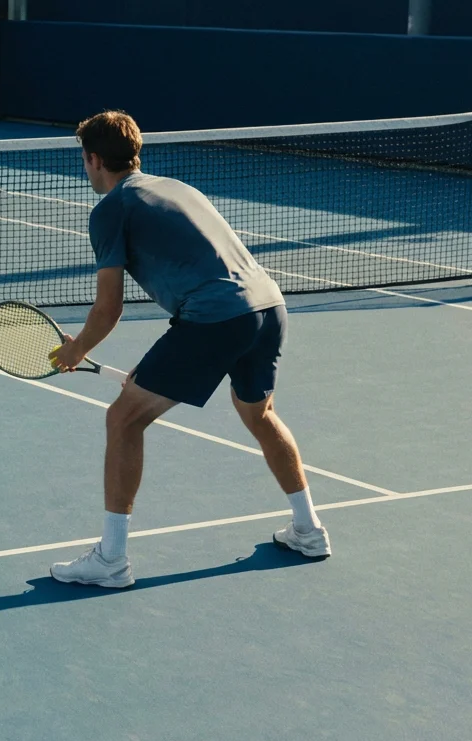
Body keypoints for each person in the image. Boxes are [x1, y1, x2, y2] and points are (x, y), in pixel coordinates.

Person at [48, 110, 331, 589]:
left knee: (123, 418)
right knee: (260, 415)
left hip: (215, 318)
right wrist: (165, 359)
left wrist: (76, 348)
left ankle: (111, 561)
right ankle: (309, 530)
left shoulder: (111, 209)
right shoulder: (179, 187)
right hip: (267, 307)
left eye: (84, 159)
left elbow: (108, 309)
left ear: (93, 159)